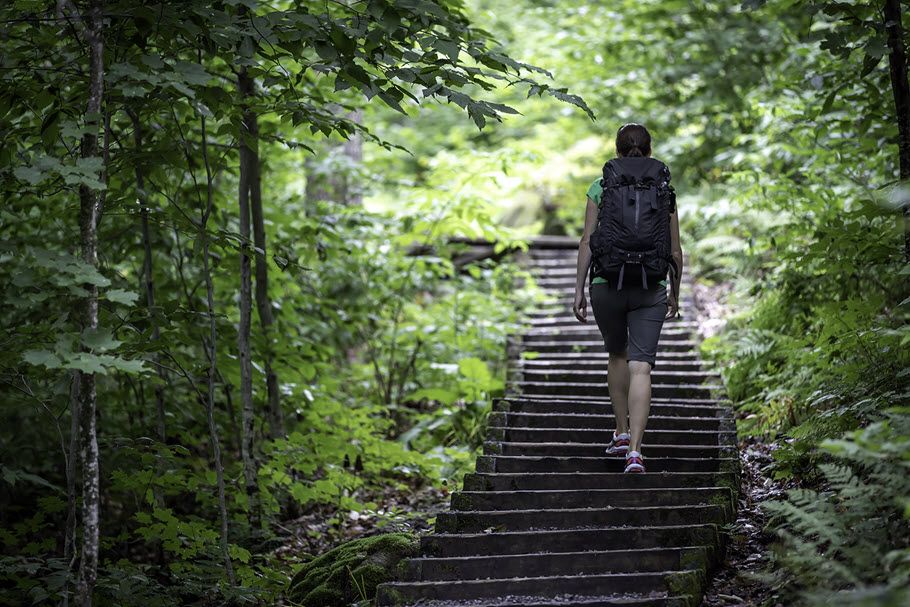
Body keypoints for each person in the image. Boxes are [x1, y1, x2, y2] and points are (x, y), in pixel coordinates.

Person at [571, 123, 683, 474]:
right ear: (649, 150)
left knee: (617, 353)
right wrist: (675, 293)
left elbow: (588, 241)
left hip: (607, 283)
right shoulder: (664, 188)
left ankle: (619, 433)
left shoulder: (601, 185)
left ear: (617, 150)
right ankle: (635, 451)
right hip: (651, 283)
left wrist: (578, 290)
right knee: (641, 366)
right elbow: (676, 250)